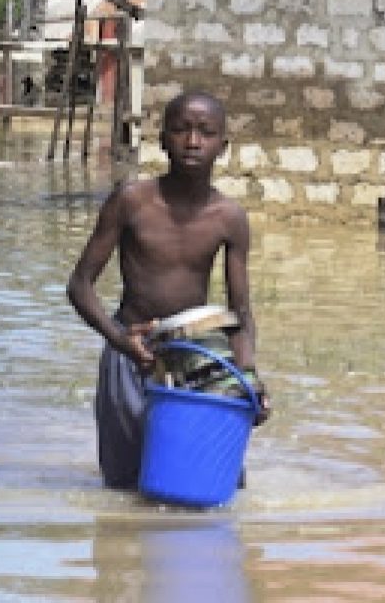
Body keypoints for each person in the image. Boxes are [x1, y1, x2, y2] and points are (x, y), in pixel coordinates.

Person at [67, 89, 269, 490]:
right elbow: (80, 286)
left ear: (222, 146)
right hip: (131, 351)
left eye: (205, 133)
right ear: (162, 140)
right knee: (124, 484)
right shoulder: (131, 201)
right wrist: (120, 340)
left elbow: (240, 313)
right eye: (180, 130)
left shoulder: (229, 218)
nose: (193, 142)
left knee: (213, 477)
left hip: (195, 356)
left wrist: (247, 378)